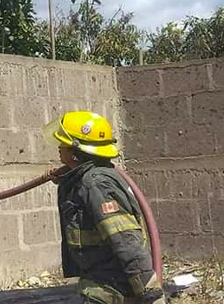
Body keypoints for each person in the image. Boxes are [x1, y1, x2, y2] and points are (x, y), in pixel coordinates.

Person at [47, 111, 165, 304]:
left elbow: (126, 241)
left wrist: (151, 295)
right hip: (100, 281)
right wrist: (66, 179)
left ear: (75, 152)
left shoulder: (96, 184)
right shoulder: (87, 179)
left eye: (63, 143)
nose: (59, 148)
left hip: (111, 288)